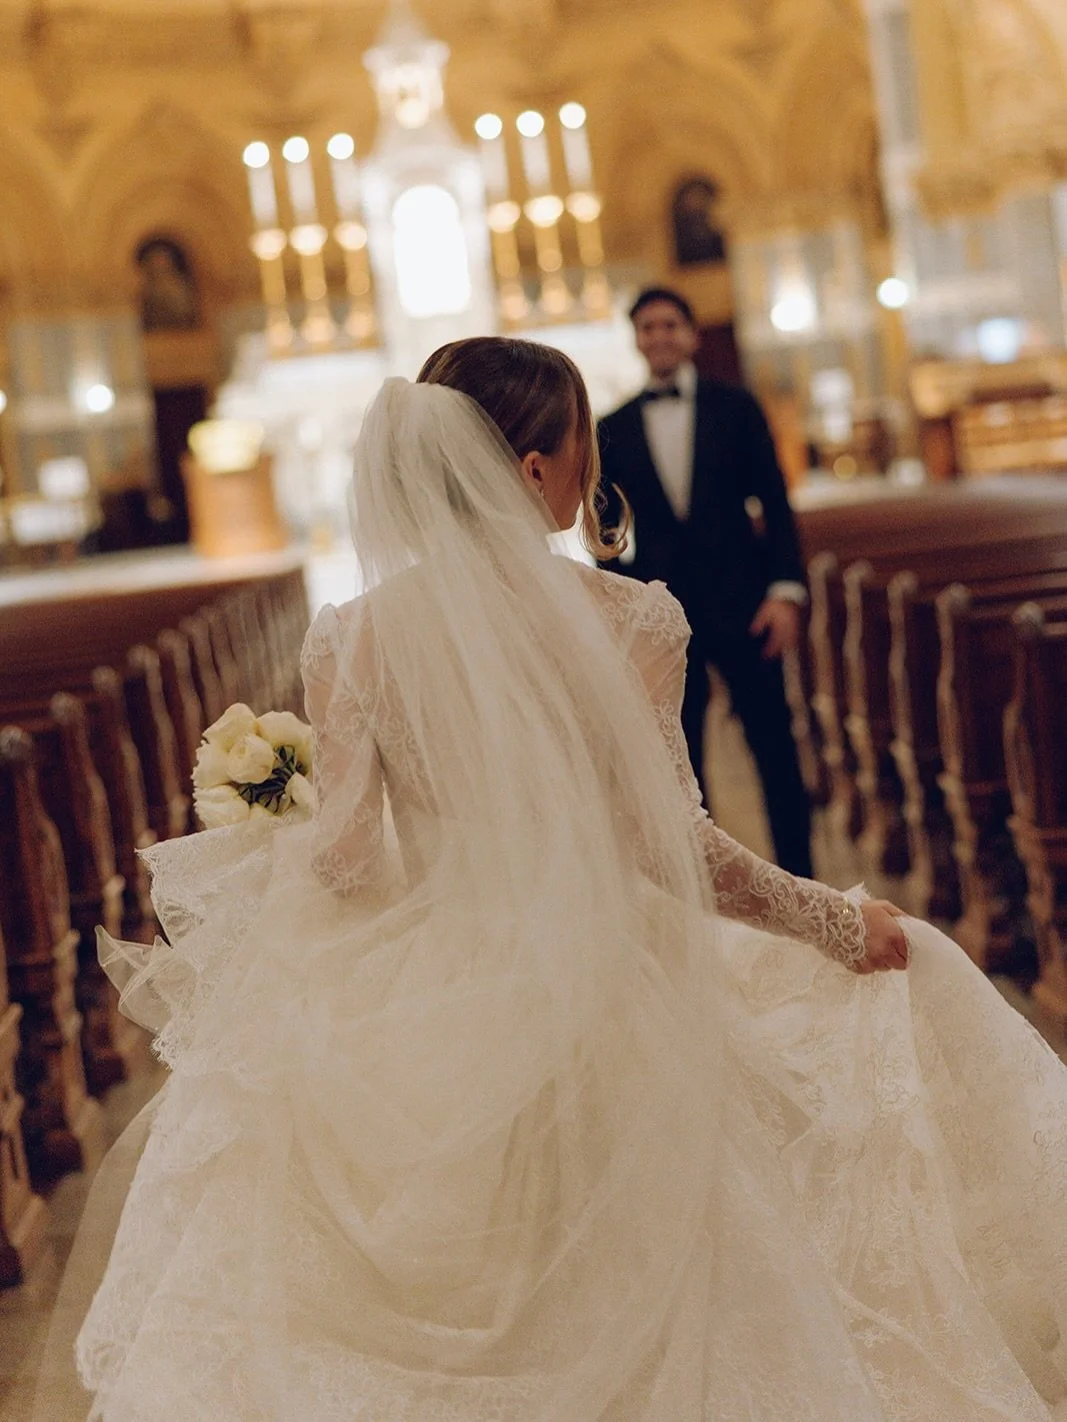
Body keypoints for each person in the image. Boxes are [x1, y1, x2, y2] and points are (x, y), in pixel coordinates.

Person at [44, 338, 1067, 1421]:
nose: (592, 466)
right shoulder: (630, 618)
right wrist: (832, 921)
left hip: (425, 996)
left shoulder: (351, 637)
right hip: (604, 981)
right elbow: (669, 848)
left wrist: (279, 816)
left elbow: (343, 868)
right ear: (532, 470)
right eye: (582, 441)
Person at [598, 286, 814, 876]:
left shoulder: (737, 408)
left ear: (691, 335)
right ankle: (709, 887)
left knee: (774, 747)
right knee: (680, 761)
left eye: (670, 324)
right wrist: (624, 609)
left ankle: (807, 881)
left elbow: (775, 501)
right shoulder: (611, 427)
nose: (659, 336)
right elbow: (605, 529)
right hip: (665, 615)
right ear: (637, 340)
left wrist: (785, 591)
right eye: (647, 327)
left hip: (747, 604)